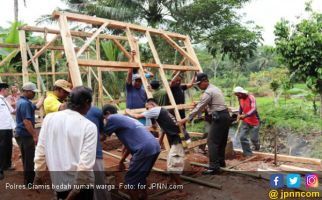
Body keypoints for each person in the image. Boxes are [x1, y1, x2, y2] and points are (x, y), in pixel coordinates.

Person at [34, 86, 97, 200]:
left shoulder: (49, 119)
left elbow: (41, 150)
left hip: (59, 183)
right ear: (87, 103)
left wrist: (38, 174)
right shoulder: (88, 126)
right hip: (81, 188)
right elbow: (85, 164)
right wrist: (75, 191)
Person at [125, 98, 190, 189]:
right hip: (181, 138)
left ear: (151, 104)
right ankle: (171, 181)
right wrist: (158, 144)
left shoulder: (155, 110)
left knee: (172, 165)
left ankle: (180, 188)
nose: (147, 110)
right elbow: (163, 130)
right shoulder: (163, 112)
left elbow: (137, 116)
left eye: (147, 108)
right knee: (173, 161)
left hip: (179, 140)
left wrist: (128, 111)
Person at [102, 104, 160, 200]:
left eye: (104, 118)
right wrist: (121, 161)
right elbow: (130, 146)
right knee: (140, 177)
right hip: (154, 146)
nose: (105, 120)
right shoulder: (127, 119)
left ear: (107, 113)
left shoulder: (112, 118)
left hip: (144, 149)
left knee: (129, 181)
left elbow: (103, 137)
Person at [179, 73, 231, 175]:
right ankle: (221, 163)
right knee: (221, 141)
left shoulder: (208, 92)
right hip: (225, 115)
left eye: (199, 84)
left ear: (204, 81)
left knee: (211, 142)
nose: (198, 86)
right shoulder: (215, 88)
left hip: (219, 117)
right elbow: (207, 104)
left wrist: (185, 119)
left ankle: (214, 167)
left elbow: (199, 108)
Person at [15, 82, 45, 185]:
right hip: (25, 135)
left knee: (26, 157)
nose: (34, 95)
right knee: (29, 159)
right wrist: (34, 135)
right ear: (27, 92)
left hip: (21, 134)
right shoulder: (25, 104)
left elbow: (36, 106)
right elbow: (27, 122)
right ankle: (29, 181)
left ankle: (27, 179)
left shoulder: (23, 101)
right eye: (33, 92)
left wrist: (42, 98)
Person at [85, 106, 111, 200]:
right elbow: (102, 134)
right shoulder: (96, 111)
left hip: (77, 153)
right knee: (99, 182)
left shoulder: (70, 112)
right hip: (94, 152)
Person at [233, 86, 260, 156]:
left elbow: (254, 109)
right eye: (236, 95)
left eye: (238, 94)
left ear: (241, 93)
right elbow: (241, 107)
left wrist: (245, 115)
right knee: (242, 137)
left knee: (254, 139)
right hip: (246, 121)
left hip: (255, 122)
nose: (237, 96)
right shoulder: (240, 98)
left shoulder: (251, 98)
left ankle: (257, 147)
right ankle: (248, 153)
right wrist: (239, 114)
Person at [0, 83, 16, 180]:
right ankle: (0, 170)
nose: (8, 91)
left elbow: (12, 111)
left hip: (8, 128)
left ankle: (7, 165)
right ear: (3, 89)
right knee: (1, 149)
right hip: (1, 128)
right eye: (7, 89)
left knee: (8, 147)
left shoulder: (4, 100)